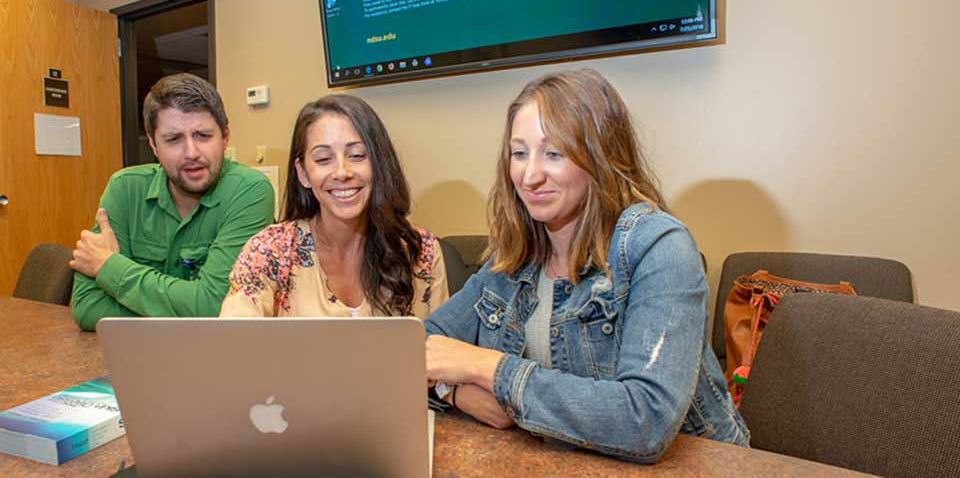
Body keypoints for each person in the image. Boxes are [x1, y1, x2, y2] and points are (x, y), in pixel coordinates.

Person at [423, 69, 749, 463]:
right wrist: (453, 391)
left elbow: (645, 420)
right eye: (519, 153)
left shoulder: (659, 246)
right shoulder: (512, 257)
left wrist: (487, 368)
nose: (530, 176)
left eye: (554, 153)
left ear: (600, 157)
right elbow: (416, 348)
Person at [70, 73, 275, 331]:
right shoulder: (124, 189)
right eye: (174, 139)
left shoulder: (249, 191)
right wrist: (187, 306)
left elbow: (215, 307)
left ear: (225, 137)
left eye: (203, 135)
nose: (192, 153)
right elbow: (87, 308)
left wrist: (109, 266)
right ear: (154, 145)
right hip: (133, 352)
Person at [220, 95, 448, 318]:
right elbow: (233, 335)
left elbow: (441, 339)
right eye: (323, 159)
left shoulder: (422, 253)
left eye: (356, 155)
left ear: (379, 163)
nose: (342, 172)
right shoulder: (269, 250)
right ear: (303, 173)